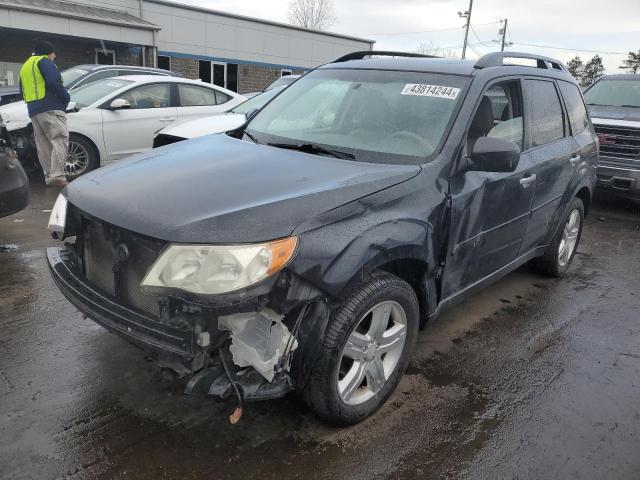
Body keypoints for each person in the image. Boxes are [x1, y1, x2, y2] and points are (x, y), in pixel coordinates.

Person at [19, 39, 70, 187]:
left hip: (34, 110)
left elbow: (21, 90)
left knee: (44, 145)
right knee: (60, 139)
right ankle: (57, 176)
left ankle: (49, 176)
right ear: (49, 53)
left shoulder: (26, 66)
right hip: (51, 107)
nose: (55, 57)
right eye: (54, 54)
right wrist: (66, 97)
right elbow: (54, 82)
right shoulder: (44, 61)